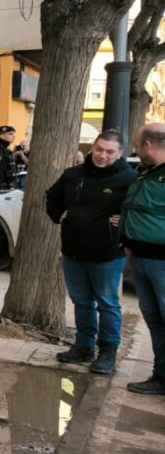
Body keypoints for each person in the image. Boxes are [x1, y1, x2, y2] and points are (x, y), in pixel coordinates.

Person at [45, 130, 136, 375]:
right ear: (92, 148)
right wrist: (58, 214)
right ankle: (84, 347)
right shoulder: (73, 174)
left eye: (109, 152)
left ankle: (108, 353)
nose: (102, 155)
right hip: (73, 252)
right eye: (99, 149)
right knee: (81, 302)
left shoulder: (129, 179)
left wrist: (126, 220)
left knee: (107, 304)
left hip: (107, 255)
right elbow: (52, 197)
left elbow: (141, 211)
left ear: (119, 154)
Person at [120, 122, 165, 396]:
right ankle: (161, 376)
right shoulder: (146, 173)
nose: (136, 150)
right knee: (155, 321)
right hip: (141, 260)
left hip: (161, 263)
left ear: (148, 145)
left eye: (137, 145)